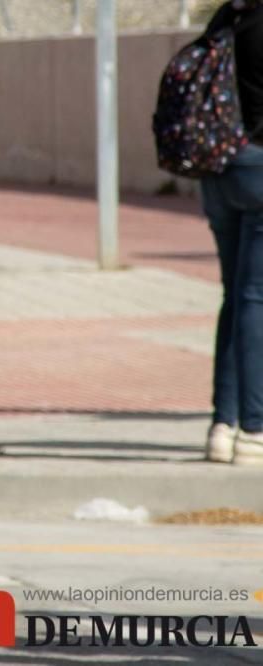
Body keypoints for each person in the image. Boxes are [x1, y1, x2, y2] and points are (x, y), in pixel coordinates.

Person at [201, 0, 263, 466]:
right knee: (254, 297)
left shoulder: (228, 16)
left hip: (218, 170)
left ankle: (223, 425)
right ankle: (255, 429)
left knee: (236, 295)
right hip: (258, 166)